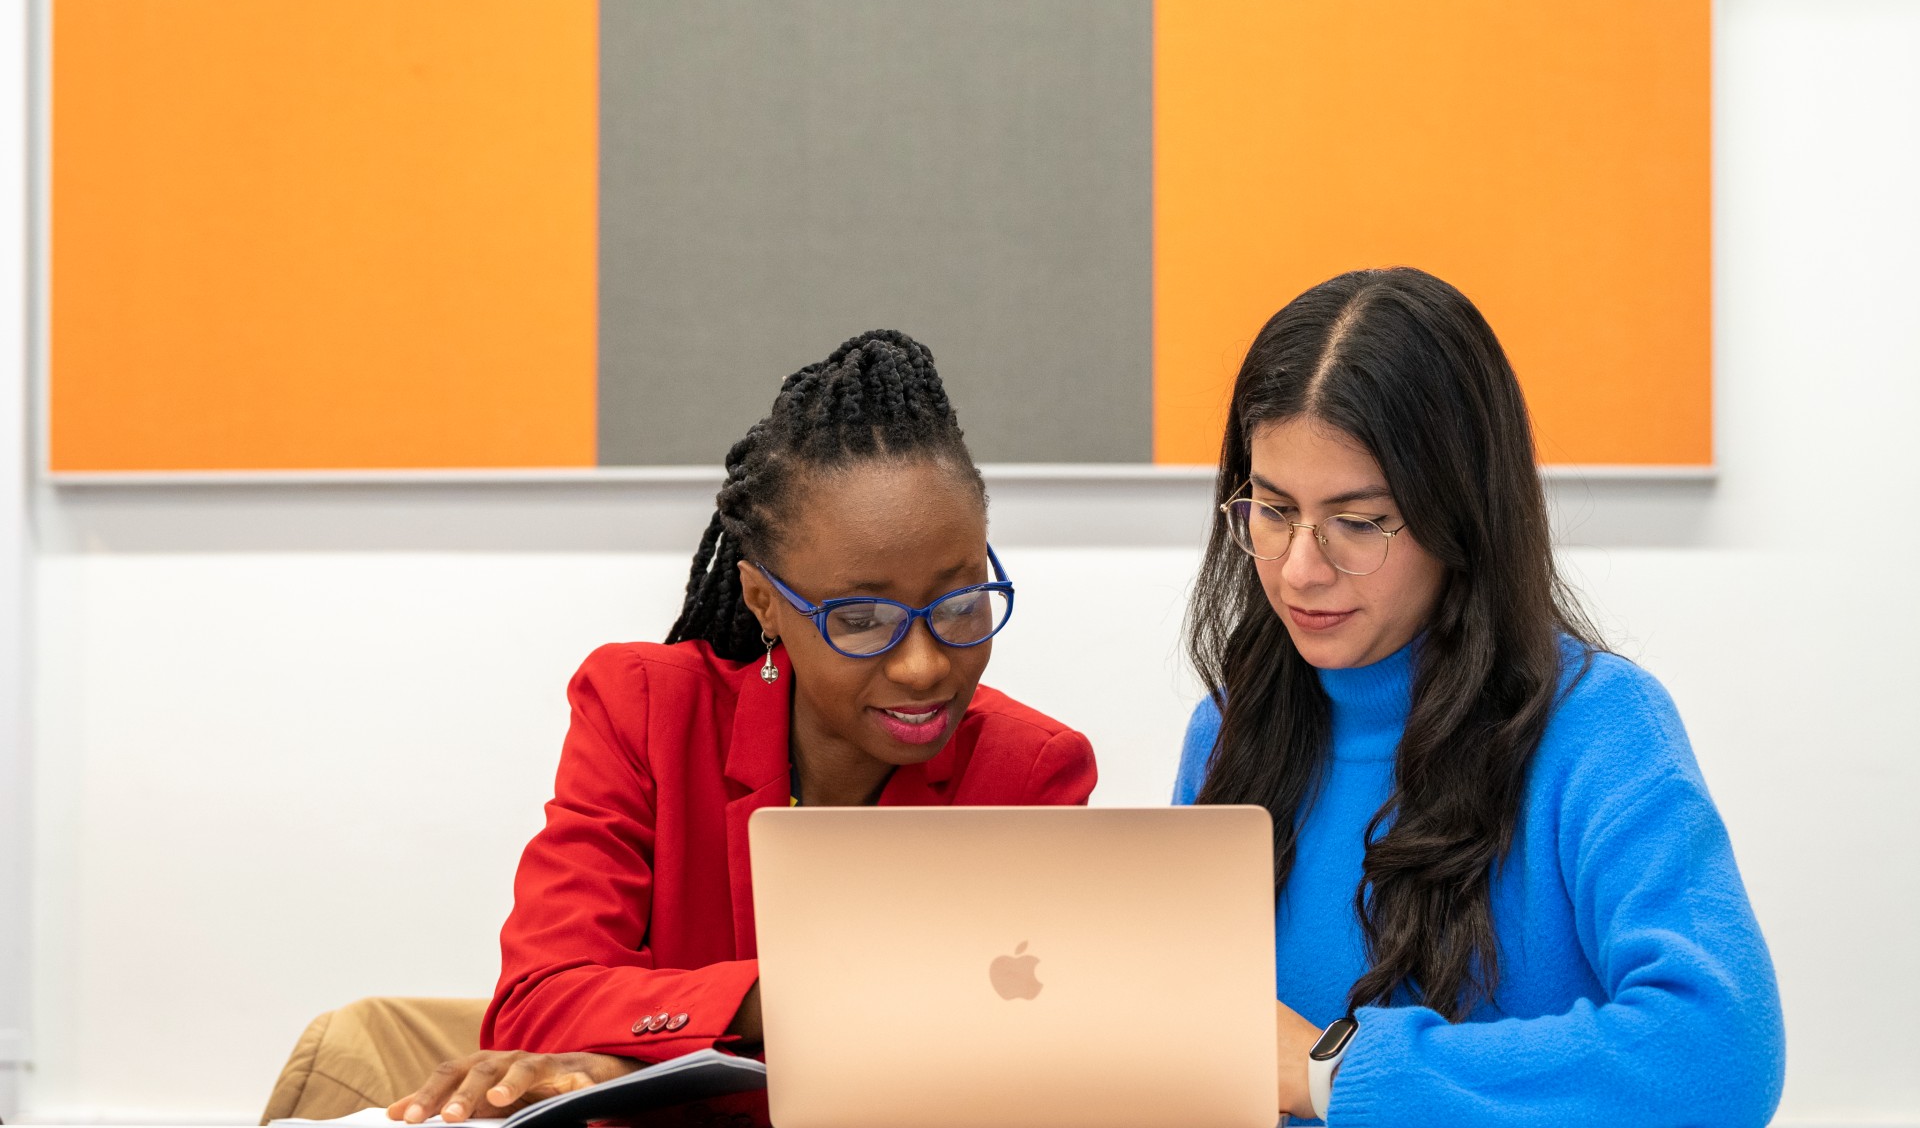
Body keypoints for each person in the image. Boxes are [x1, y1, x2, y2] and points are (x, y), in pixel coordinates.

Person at [390, 330, 1096, 1123]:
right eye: (862, 618)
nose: (923, 666)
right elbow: (537, 1007)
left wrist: (634, 1049)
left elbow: (996, 1056)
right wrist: (786, 995)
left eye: (961, 603)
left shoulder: (1030, 768)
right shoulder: (646, 711)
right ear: (764, 601)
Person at [1176, 267, 1785, 1126]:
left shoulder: (1600, 727)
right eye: (1273, 511)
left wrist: (1336, 1074)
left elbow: (1719, 1055)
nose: (1301, 569)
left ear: (1458, 515)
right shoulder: (1225, 732)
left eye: (1358, 522)